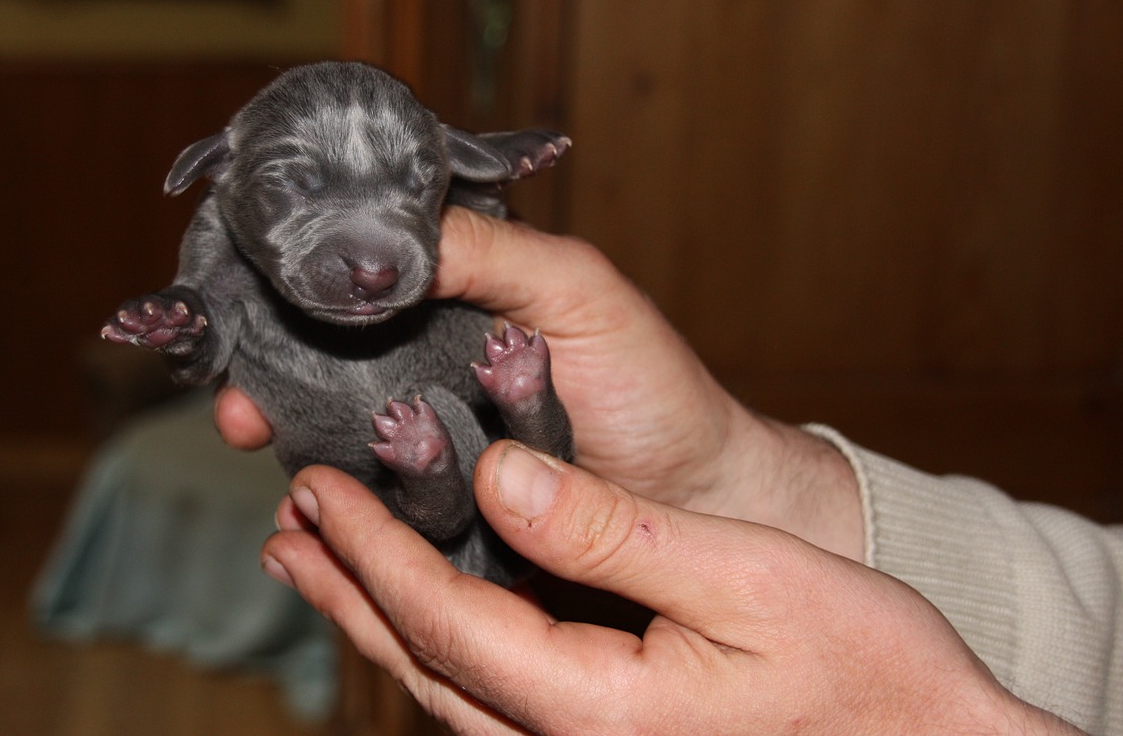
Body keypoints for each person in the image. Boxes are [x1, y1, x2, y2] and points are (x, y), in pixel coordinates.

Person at [215, 206, 1118, 735]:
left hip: (470, 478)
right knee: (458, 480)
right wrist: (737, 472)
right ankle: (445, 458)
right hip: (437, 484)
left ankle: (452, 453)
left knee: (478, 466)